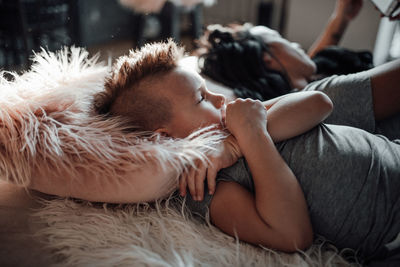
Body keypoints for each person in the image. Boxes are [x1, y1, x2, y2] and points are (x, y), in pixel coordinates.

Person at [94, 40, 400, 266]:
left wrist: (236, 142)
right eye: (202, 97)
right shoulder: (203, 184)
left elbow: (319, 103)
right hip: (390, 226)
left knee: (330, 90)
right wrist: (252, 137)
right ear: (165, 138)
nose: (220, 98)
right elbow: (291, 234)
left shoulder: (237, 122)